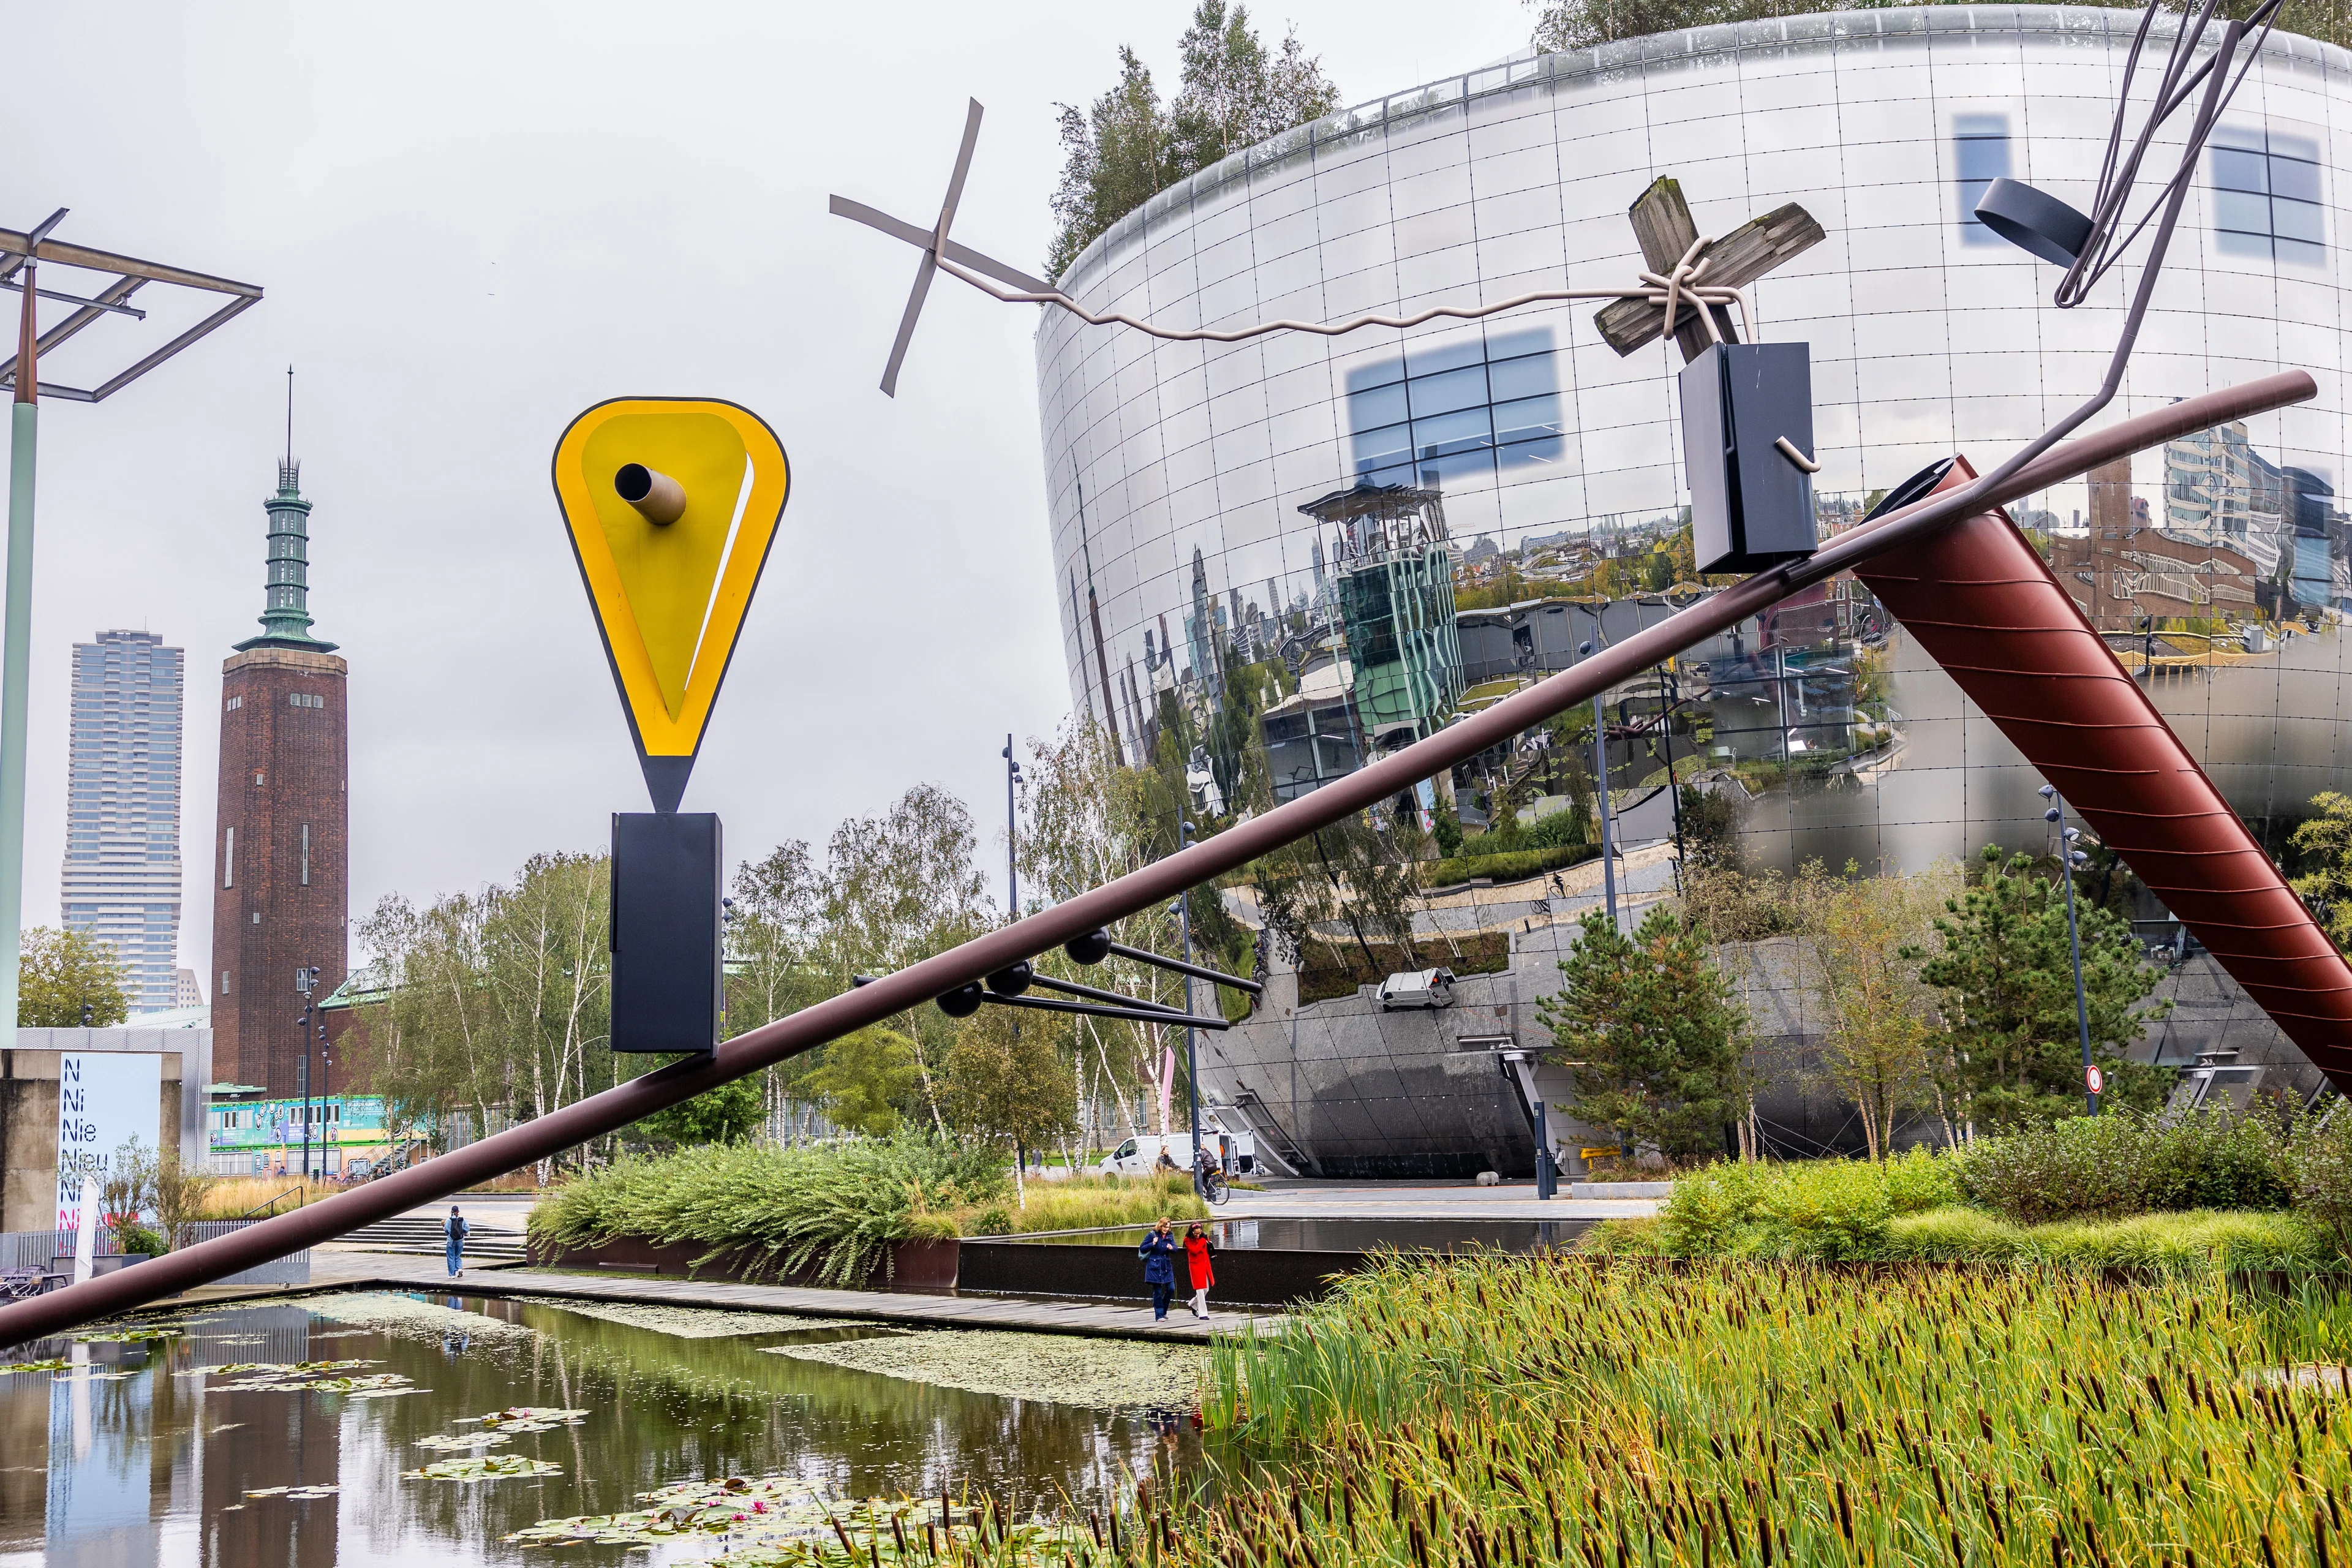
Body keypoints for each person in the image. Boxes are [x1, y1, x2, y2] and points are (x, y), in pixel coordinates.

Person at [1138, 1217, 1179, 1319]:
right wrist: (1152, 1244)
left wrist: (1172, 1248)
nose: (1166, 1229)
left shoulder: (1170, 1235)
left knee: (1171, 1288)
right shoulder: (1152, 1235)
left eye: (1168, 1227)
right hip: (1155, 1266)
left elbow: (1176, 1248)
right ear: (1160, 1226)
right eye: (1165, 1227)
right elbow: (1142, 1248)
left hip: (1166, 1266)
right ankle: (1159, 1315)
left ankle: (1164, 1310)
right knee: (1157, 1291)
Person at [1183, 1221, 1217, 1319]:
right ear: (1191, 1232)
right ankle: (1203, 1313)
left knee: (1206, 1289)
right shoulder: (1187, 1240)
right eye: (1195, 1233)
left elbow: (1207, 1249)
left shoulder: (1204, 1237)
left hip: (1205, 1264)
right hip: (1196, 1266)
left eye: (1199, 1233)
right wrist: (1202, 1241)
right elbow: (1194, 1251)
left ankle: (1192, 1304)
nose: (1198, 1235)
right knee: (1200, 1290)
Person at [444, 1205, 469, 1278]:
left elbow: (447, 1231)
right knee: (458, 1256)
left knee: (451, 1257)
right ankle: (459, 1268)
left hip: (451, 1241)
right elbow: (467, 1228)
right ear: (458, 1212)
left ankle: (452, 1275)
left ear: (451, 1212)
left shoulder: (448, 1221)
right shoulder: (462, 1220)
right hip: (460, 1241)